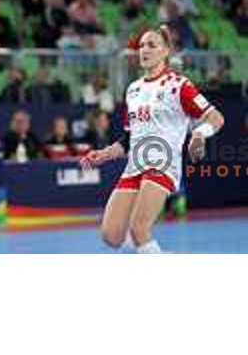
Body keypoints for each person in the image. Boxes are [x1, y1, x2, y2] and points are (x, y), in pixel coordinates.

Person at [81, 25, 224, 254]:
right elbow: (129, 138)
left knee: (139, 229)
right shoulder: (133, 90)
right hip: (134, 166)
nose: (144, 50)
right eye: (141, 46)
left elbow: (216, 117)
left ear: (165, 51)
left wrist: (199, 133)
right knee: (111, 236)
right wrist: (104, 154)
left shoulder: (178, 85)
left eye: (151, 45)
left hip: (163, 163)